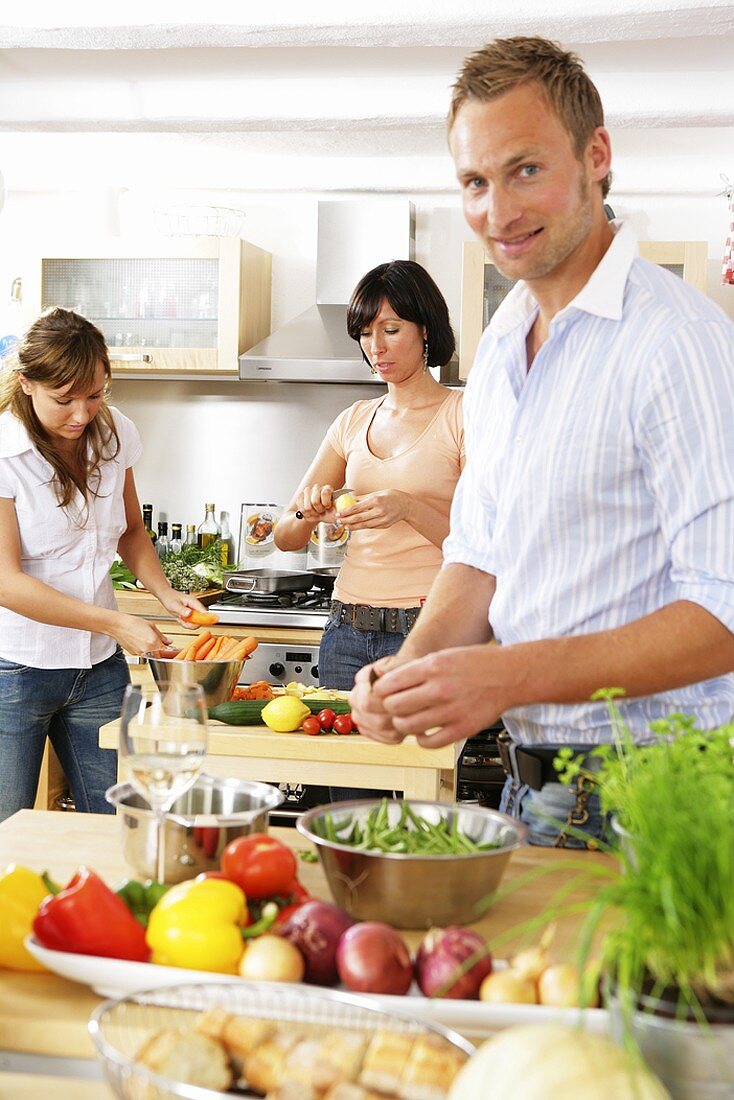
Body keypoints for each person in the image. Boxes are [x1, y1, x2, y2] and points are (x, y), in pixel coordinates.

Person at [350, 36, 734, 847]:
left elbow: (723, 612)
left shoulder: (678, 341)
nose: (498, 211)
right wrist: (411, 670)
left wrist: (505, 672)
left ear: (596, 156)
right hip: (537, 786)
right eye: (475, 182)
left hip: (667, 793)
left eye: (526, 169)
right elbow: (481, 548)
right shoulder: (502, 343)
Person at [0, 307, 210, 822]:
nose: (81, 414)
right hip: (15, 669)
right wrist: (118, 623)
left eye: (94, 394)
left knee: (118, 823)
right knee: (7, 830)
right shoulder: (4, 453)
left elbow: (131, 531)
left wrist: (164, 593)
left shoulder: (114, 433)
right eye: (64, 399)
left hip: (98, 670)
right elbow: (6, 582)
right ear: (26, 384)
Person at [275, 260, 464, 798]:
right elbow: (285, 537)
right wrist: (309, 510)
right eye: (364, 334)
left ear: (425, 328)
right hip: (346, 633)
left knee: (423, 797)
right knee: (350, 804)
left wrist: (408, 506)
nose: (375, 348)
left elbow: (482, 547)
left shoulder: (464, 414)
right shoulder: (353, 419)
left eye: (390, 329)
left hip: (426, 630)